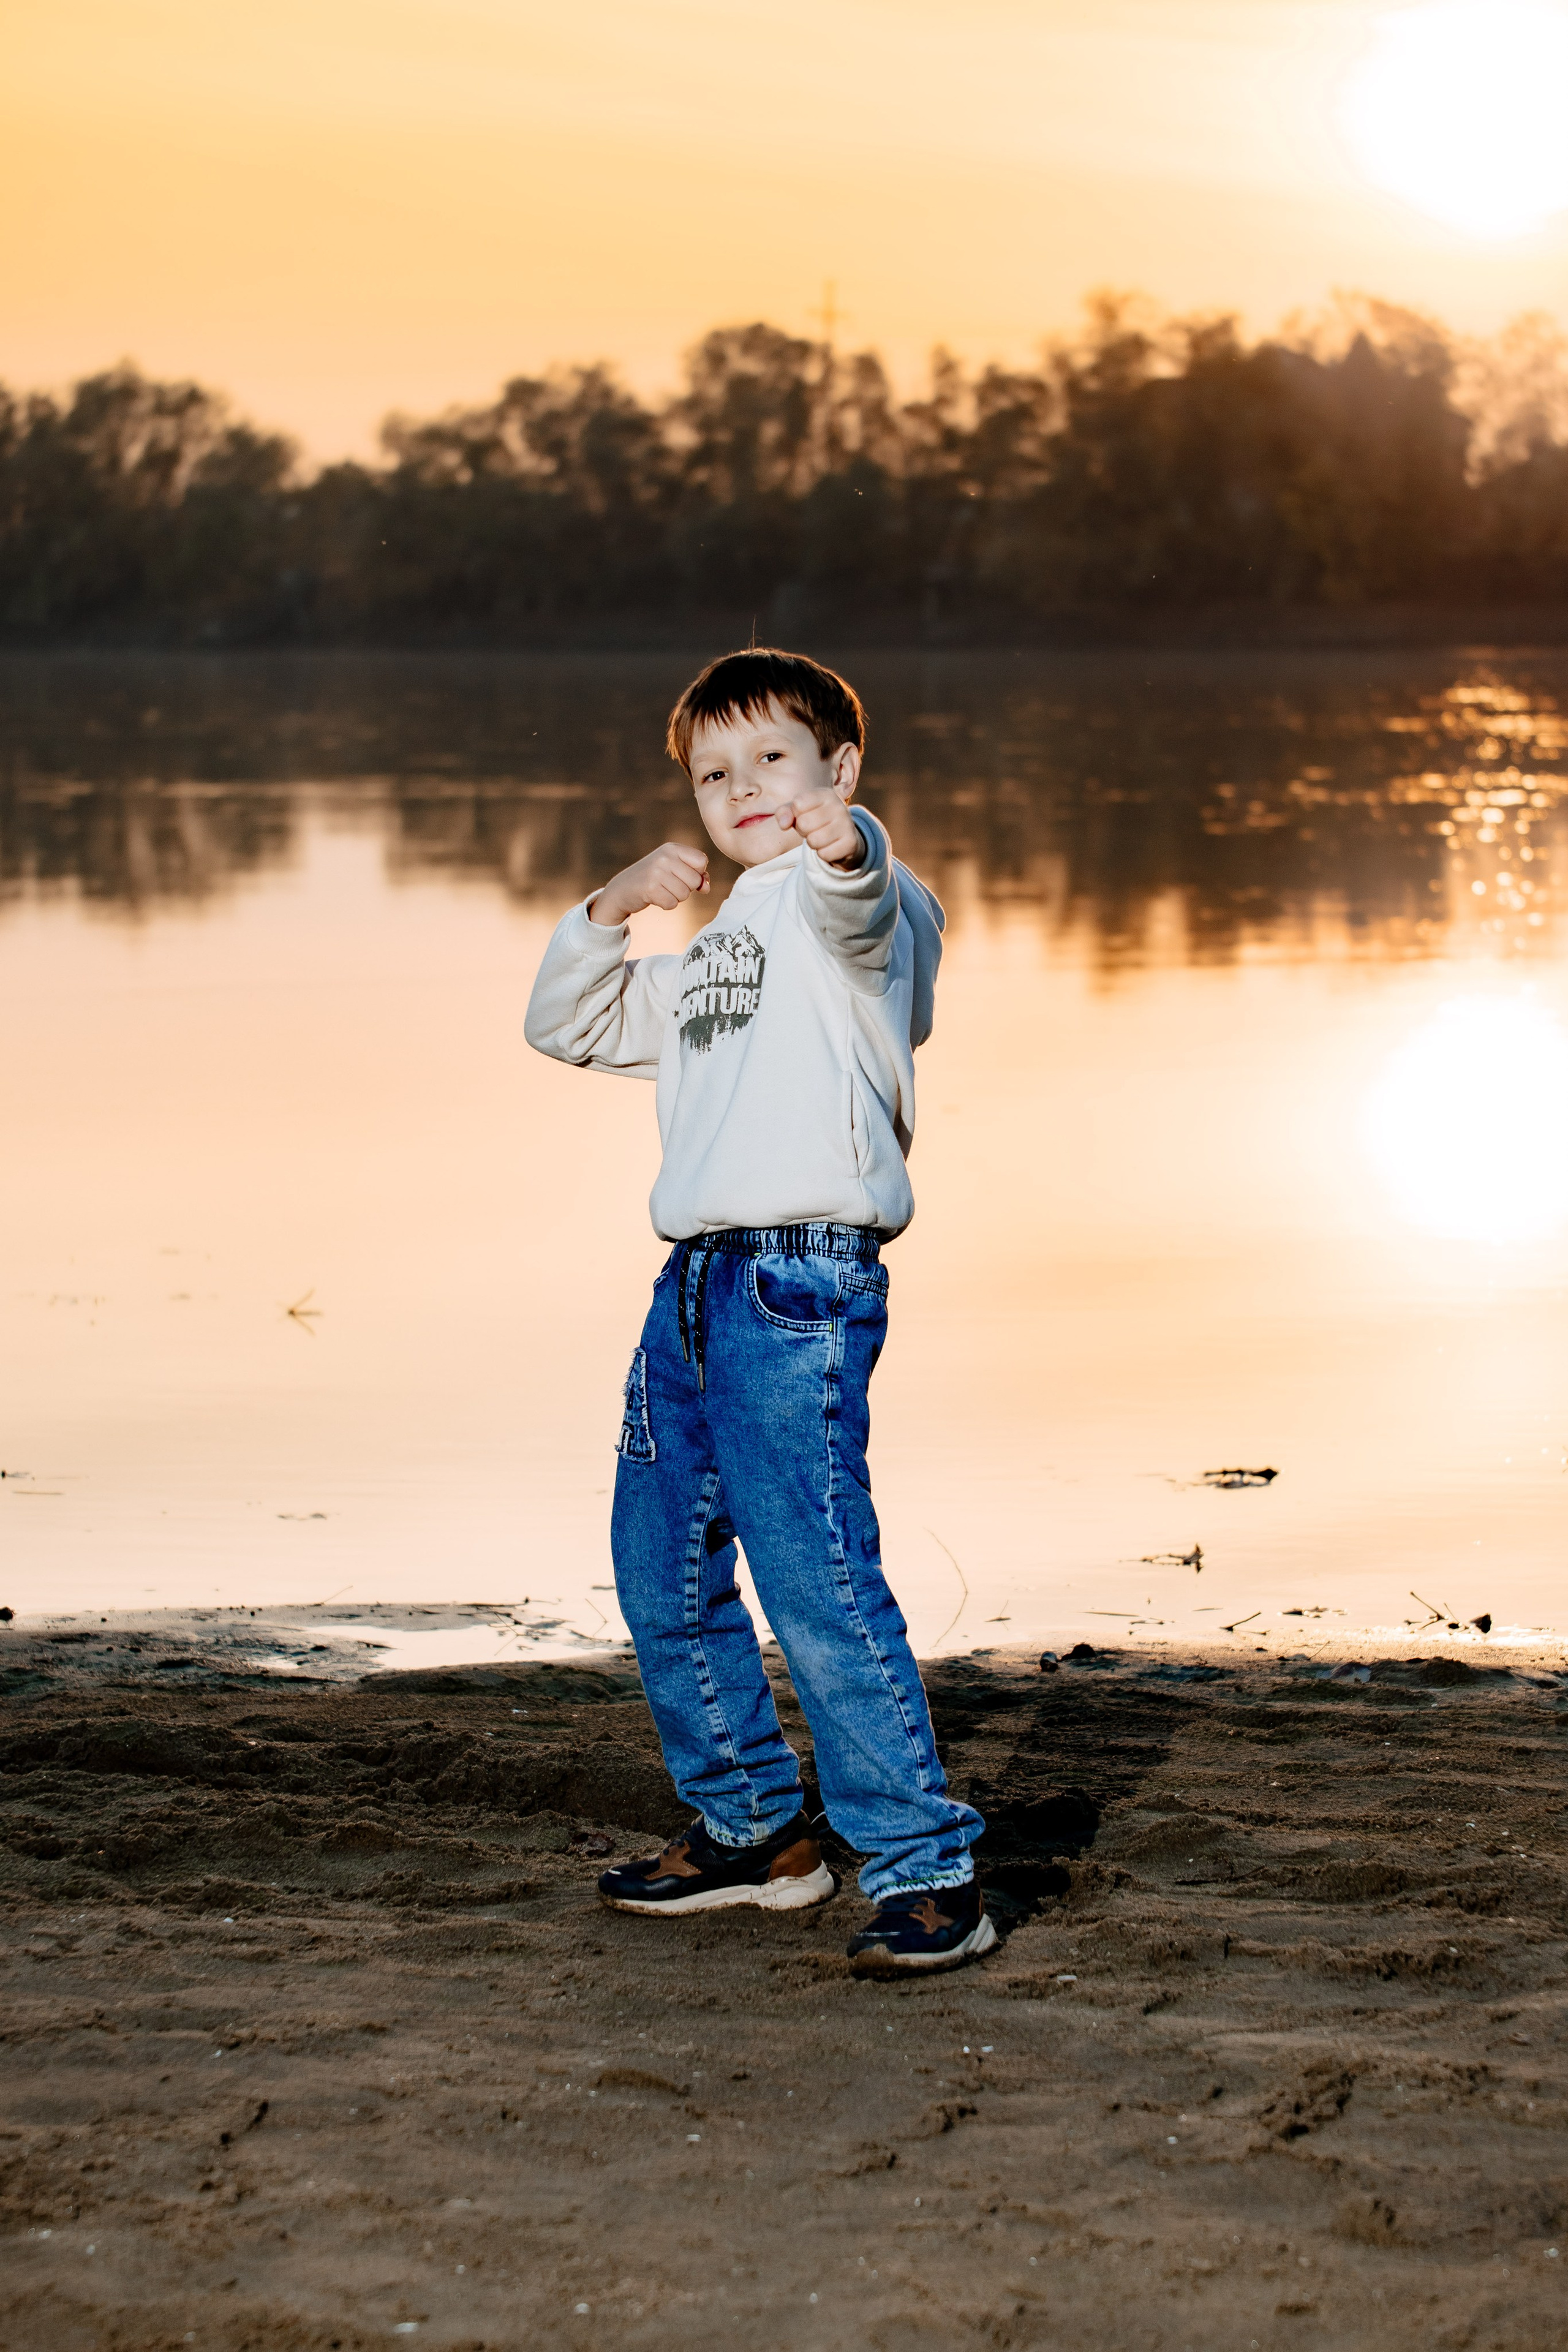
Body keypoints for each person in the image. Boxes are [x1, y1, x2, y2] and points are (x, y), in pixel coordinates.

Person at [524, 647, 992, 1973]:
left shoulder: (872, 912)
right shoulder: (720, 950)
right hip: (694, 1288)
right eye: (711, 774)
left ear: (838, 771)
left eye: (769, 761)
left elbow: (857, 910)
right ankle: (751, 1831)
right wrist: (608, 908)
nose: (740, 791)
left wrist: (846, 850)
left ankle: (921, 1863)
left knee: (816, 1575)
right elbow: (571, 1025)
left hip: (801, 1280)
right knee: (659, 1562)